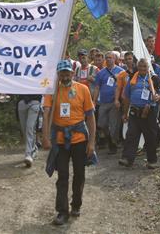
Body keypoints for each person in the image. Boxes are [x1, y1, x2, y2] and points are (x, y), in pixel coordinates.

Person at [42, 60, 96, 226]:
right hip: (59, 140)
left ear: (73, 74)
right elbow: (46, 114)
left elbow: (90, 116)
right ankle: (62, 211)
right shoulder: (52, 91)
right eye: (62, 73)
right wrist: (45, 137)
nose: (65, 75)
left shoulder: (83, 89)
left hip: (79, 139)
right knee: (62, 175)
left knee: (79, 173)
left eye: (67, 72)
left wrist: (91, 142)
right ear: (58, 75)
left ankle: (76, 205)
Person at [119, 59, 160, 169]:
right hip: (134, 111)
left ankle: (152, 161)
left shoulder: (154, 79)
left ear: (148, 67)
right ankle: (127, 159)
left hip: (148, 112)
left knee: (150, 137)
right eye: (140, 66)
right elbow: (126, 97)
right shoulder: (133, 78)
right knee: (131, 135)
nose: (142, 68)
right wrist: (125, 113)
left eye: (144, 66)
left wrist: (158, 96)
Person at [92, 52, 126, 154]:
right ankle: (110, 139)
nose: (108, 59)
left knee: (114, 124)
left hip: (114, 103)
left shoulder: (121, 72)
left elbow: (125, 87)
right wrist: (94, 101)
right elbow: (97, 87)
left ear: (115, 59)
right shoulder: (101, 73)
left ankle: (113, 144)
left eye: (110, 58)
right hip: (103, 102)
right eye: (107, 58)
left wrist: (122, 101)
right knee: (102, 124)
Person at [17, 94, 43, 167]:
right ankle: (33, 149)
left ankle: (28, 155)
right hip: (22, 101)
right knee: (25, 129)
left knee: (30, 128)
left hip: (35, 102)